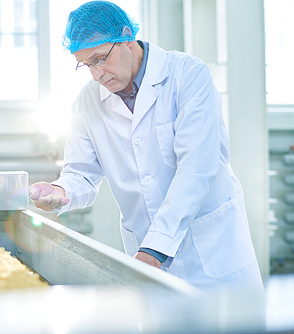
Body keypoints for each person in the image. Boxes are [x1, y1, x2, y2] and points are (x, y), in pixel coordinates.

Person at [29, 0, 263, 290]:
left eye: (100, 58)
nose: (96, 74)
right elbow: (81, 174)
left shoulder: (188, 76)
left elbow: (197, 169)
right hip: (145, 258)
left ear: (127, 38)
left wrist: (154, 249)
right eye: (86, 64)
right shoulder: (88, 102)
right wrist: (61, 191)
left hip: (213, 252)